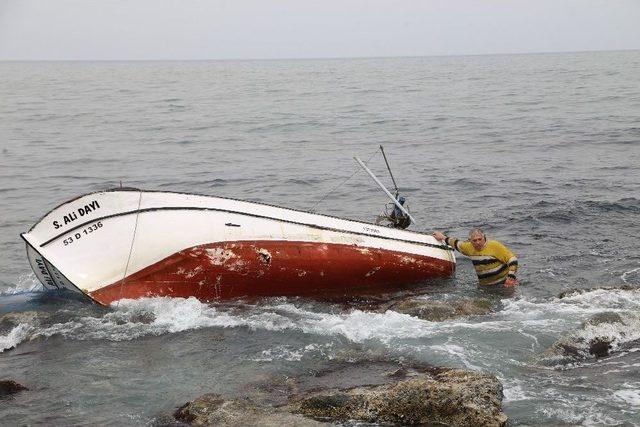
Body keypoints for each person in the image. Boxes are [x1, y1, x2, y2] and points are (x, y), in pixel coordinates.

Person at [432, 229, 519, 287]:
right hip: (485, 287)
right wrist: (443, 237)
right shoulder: (469, 247)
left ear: (484, 238)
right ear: (470, 241)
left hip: (504, 284)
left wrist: (511, 277)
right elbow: (456, 243)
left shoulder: (494, 246)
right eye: (474, 240)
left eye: (480, 239)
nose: (477, 242)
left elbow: (512, 259)